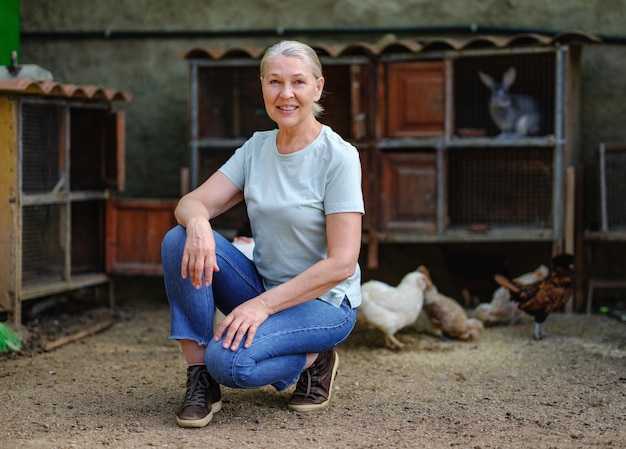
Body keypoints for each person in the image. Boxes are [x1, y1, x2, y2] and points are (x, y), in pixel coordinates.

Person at [161, 40, 365, 428]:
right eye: (275, 82)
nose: (285, 94)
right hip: (264, 286)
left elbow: (342, 263)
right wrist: (200, 222)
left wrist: (263, 307)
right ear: (262, 86)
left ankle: (317, 356)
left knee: (232, 363)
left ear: (317, 88)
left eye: (298, 82)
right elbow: (189, 203)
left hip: (324, 302)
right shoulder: (256, 149)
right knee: (179, 238)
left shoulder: (338, 157)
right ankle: (200, 378)